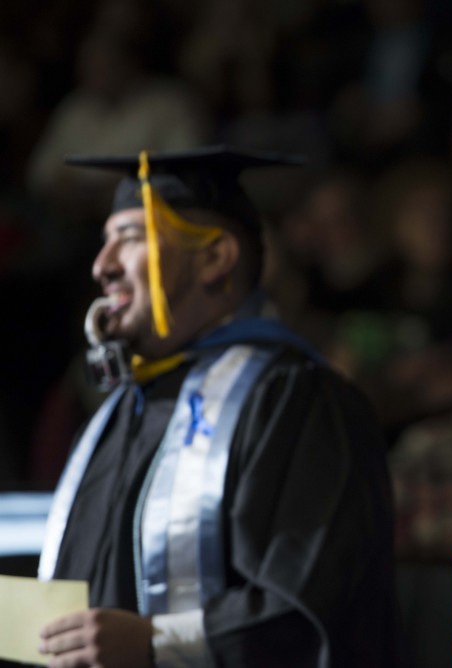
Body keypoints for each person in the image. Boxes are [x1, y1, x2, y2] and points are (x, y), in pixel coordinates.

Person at [35, 147, 401, 667]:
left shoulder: (298, 402)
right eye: (105, 240)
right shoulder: (120, 412)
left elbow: (307, 610)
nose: (102, 266)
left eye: (131, 237)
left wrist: (154, 643)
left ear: (215, 258)